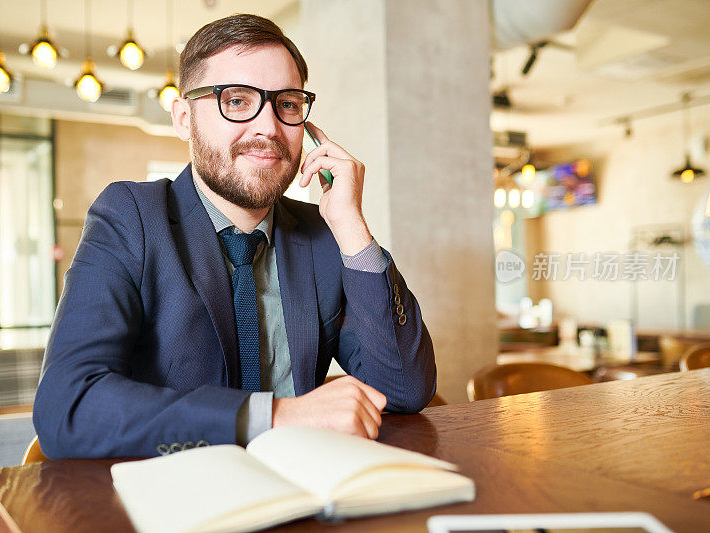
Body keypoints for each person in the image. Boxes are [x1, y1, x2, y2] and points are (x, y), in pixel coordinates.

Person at [34, 13, 435, 459]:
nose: (267, 127)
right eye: (238, 101)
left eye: (286, 104)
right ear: (184, 118)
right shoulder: (131, 216)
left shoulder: (325, 234)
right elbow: (68, 406)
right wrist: (276, 416)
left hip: (308, 494)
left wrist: (353, 229)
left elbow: (404, 389)